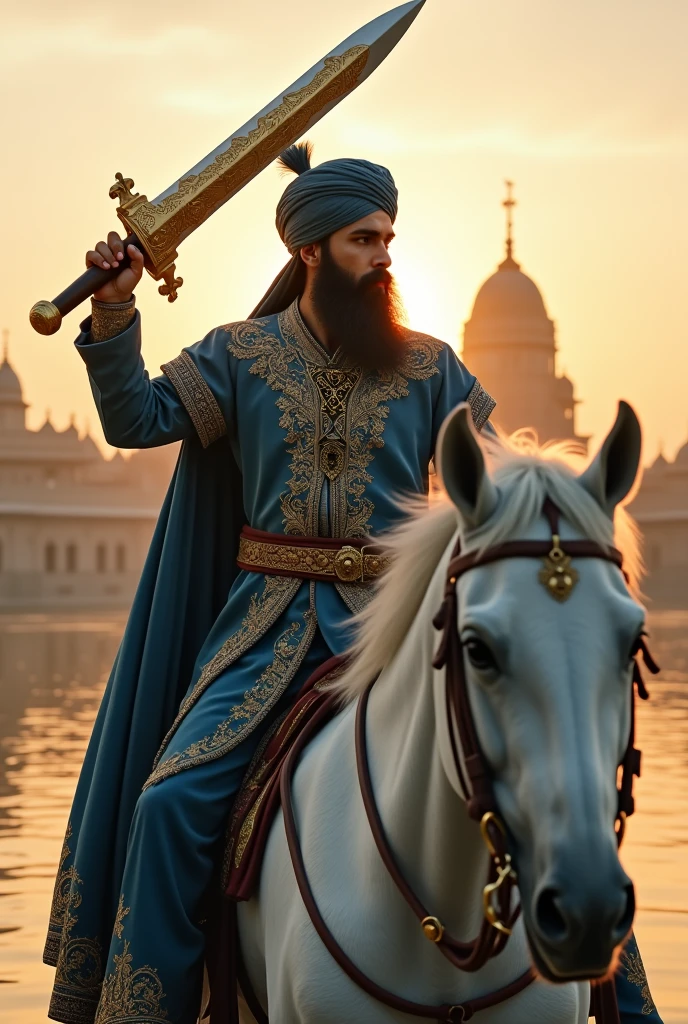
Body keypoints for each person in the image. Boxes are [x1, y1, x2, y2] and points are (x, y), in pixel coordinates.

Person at [44, 144, 661, 1024]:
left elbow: (507, 479)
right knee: (171, 802)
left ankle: (621, 999)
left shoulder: (431, 366)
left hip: (396, 625)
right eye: (364, 240)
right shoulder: (241, 356)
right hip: (263, 636)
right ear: (310, 251)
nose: (383, 256)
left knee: (558, 789)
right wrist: (112, 310)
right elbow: (133, 417)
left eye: (389, 238)